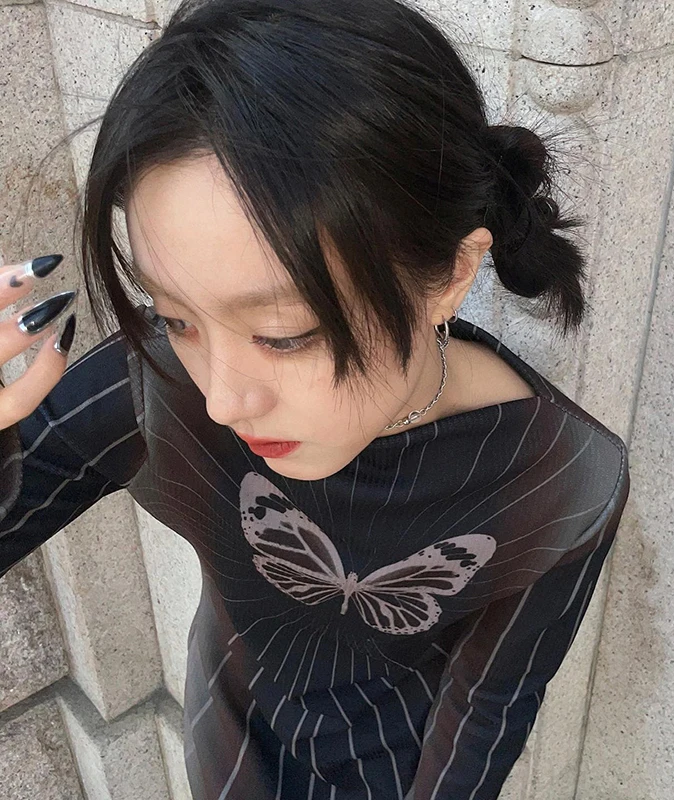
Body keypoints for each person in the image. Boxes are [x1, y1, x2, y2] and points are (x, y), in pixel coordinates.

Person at [0, 0, 631, 797]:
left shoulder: (560, 481)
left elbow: (487, 712)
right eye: (176, 317)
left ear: (449, 274)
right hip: (224, 763)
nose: (223, 399)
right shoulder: (161, 384)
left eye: (284, 334)